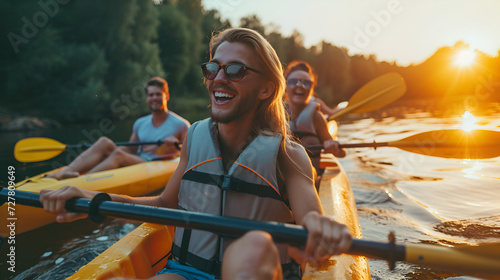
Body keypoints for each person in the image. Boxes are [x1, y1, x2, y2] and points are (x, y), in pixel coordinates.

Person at [40, 28, 352, 280]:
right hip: (189, 272)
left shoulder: (289, 155)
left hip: (256, 270)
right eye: (213, 67)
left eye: (235, 70)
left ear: (266, 89)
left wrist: (318, 228)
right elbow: (164, 204)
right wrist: (94, 199)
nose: (218, 77)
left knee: (253, 246)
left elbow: (311, 216)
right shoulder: (195, 137)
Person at [47, 77, 190, 180]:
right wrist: (110, 149)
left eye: (158, 94)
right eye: (151, 94)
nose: (154, 98)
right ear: (147, 98)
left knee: (118, 155)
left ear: (167, 96)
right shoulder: (140, 123)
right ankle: (67, 172)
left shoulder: (181, 124)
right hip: (139, 158)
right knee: (104, 142)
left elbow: (191, 154)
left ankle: (80, 181)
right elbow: (131, 150)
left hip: (155, 163)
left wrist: (177, 147)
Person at [284, 61, 346, 183]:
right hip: (282, 179)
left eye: (306, 83)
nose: (300, 86)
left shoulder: (316, 117)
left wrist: (334, 147)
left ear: (312, 88)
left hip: (311, 180)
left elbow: (341, 154)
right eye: (293, 81)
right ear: (285, 86)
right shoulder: (275, 114)